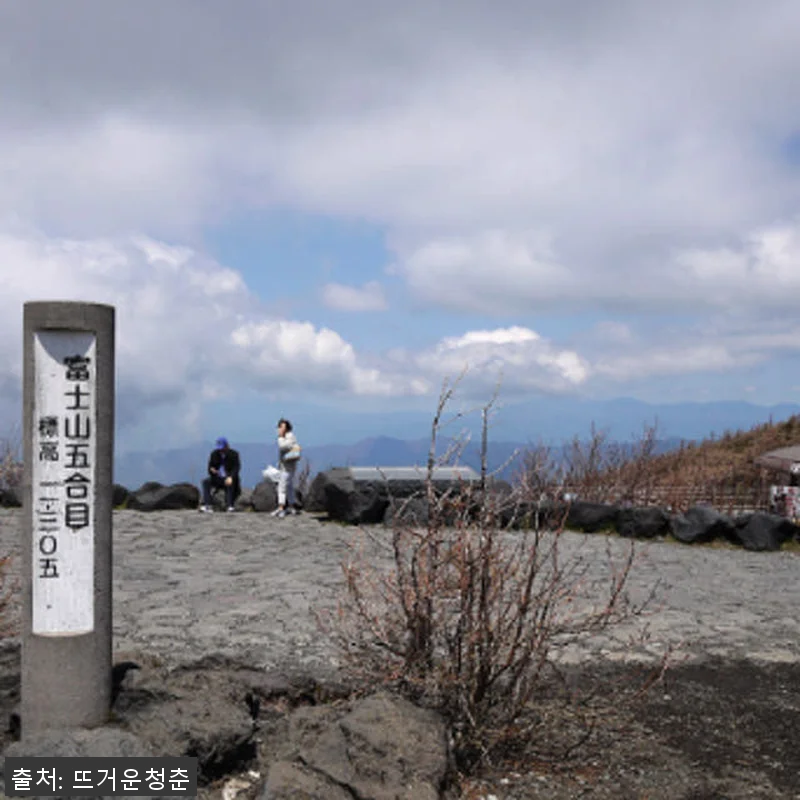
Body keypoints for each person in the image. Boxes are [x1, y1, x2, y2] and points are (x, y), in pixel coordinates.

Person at [199, 437, 241, 512]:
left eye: (223, 448)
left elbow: (236, 468)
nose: (221, 450)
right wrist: (213, 471)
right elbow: (210, 467)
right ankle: (208, 505)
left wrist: (231, 477)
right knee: (206, 482)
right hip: (218, 478)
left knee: (229, 483)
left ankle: (229, 505)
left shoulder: (234, 454)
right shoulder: (214, 454)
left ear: (226, 446)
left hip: (229, 478)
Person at [272, 418, 300, 518]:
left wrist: (280, 437)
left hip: (287, 466)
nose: (280, 429)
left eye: (282, 427)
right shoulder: (290, 437)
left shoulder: (289, 437)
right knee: (289, 486)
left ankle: (281, 507)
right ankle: (291, 506)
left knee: (282, 487)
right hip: (288, 465)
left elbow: (283, 446)